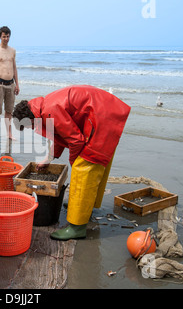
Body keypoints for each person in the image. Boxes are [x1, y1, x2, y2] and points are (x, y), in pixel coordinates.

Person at [12, 85, 131, 240]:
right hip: (105, 114)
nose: (34, 129)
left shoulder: (50, 111)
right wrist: (48, 159)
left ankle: (77, 227)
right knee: (96, 165)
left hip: (102, 119)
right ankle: (83, 207)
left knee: (84, 168)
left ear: (31, 118)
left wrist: (75, 163)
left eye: (31, 126)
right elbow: (62, 133)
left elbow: (75, 141)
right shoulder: (44, 106)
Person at [0, 26, 19, 142]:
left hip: (10, 84)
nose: (6, 39)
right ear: (0, 36)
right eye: (4, 36)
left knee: (9, 110)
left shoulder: (13, 51)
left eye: (7, 36)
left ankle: (9, 133)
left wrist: (17, 84)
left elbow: (14, 68)